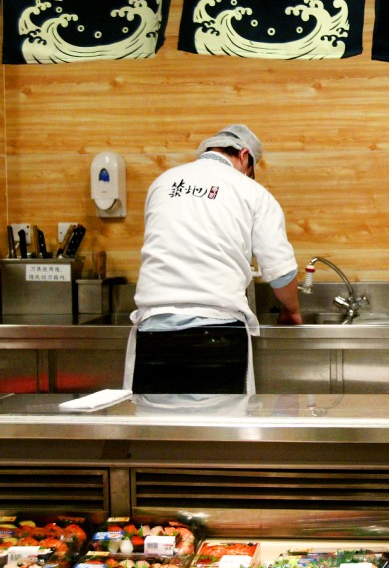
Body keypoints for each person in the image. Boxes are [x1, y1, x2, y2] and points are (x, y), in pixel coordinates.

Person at [123, 124, 302, 395]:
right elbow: (281, 273)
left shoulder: (162, 182)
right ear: (244, 155)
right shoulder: (252, 192)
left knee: (157, 430)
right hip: (219, 330)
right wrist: (292, 311)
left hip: (154, 328)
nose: (248, 177)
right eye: (250, 172)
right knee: (221, 430)